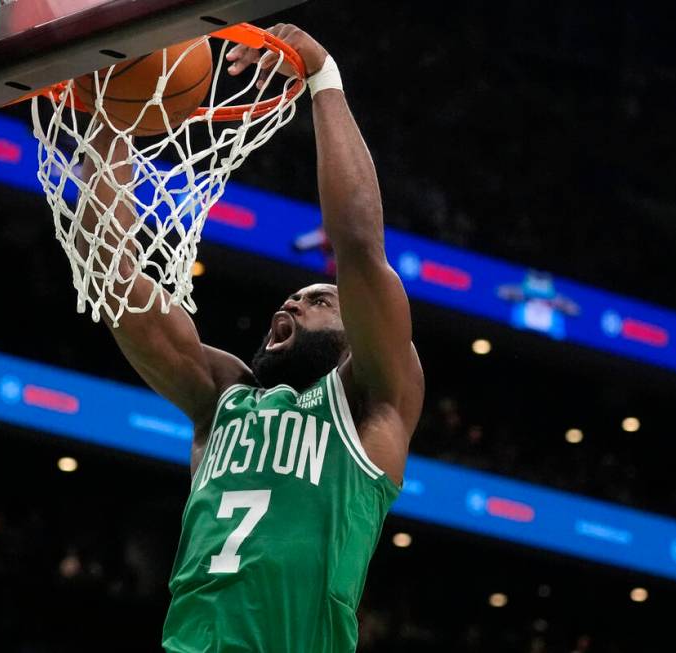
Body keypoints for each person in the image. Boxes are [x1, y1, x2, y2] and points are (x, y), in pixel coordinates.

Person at [82, 24, 424, 653]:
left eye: (321, 301)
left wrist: (323, 77)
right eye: (295, 296)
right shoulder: (222, 397)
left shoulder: (373, 404)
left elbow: (357, 246)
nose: (295, 298)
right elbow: (119, 285)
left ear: (359, 341)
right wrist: (107, 131)